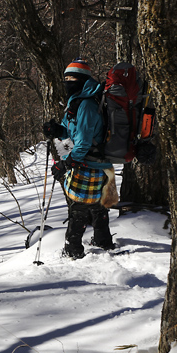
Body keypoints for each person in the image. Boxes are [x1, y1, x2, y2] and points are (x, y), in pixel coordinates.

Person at [42, 58, 115, 259]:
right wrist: (57, 130)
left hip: (91, 163)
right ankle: (103, 241)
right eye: (66, 78)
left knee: (79, 207)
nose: (68, 82)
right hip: (94, 163)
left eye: (72, 78)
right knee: (96, 205)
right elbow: (71, 133)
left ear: (83, 79)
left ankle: (73, 250)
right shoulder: (78, 100)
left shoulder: (87, 105)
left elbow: (82, 143)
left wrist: (66, 164)